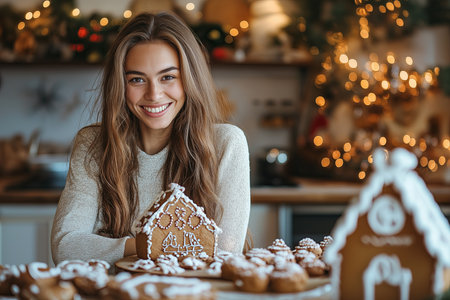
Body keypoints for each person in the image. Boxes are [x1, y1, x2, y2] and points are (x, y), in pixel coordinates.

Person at [51, 12, 251, 266]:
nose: (154, 94)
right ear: (120, 86)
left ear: (190, 79)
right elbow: (65, 247)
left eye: (168, 77)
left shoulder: (227, 143)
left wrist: (109, 247)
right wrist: (151, 243)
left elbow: (224, 255)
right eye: (136, 79)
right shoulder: (93, 144)